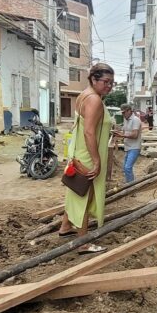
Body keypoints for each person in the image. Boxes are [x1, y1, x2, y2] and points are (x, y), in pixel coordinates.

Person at [57, 63, 115, 254]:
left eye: (112, 83)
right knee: (84, 196)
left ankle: (65, 227)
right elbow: (89, 133)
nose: (109, 86)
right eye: (106, 82)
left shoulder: (84, 95)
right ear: (93, 79)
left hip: (80, 152)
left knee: (75, 192)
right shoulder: (94, 100)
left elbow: (87, 127)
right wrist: (97, 161)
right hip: (88, 156)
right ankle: (83, 242)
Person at [114, 104, 143, 184]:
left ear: (129, 111)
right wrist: (117, 131)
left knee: (127, 167)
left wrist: (122, 135)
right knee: (125, 168)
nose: (123, 114)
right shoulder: (126, 120)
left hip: (134, 148)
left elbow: (135, 135)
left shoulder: (135, 120)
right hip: (128, 147)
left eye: (124, 112)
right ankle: (129, 184)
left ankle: (131, 188)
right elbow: (124, 130)